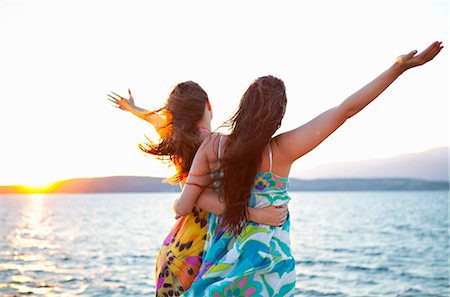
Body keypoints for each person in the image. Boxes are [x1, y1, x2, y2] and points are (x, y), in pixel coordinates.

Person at [173, 41, 444, 296]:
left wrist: (243, 211)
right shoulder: (280, 151)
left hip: (223, 270)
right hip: (270, 271)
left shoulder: (213, 146)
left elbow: (185, 205)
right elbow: (345, 110)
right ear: (277, 117)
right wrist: (397, 69)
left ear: (243, 107)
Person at [107, 81, 288, 296]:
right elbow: (200, 199)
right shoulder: (218, 144)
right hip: (205, 246)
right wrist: (255, 214)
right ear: (208, 105)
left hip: (177, 246)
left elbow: (152, 118)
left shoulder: (176, 138)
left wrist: (131, 107)